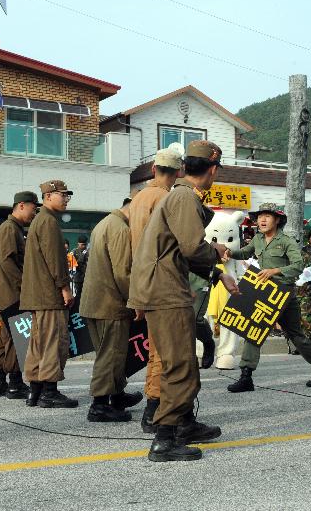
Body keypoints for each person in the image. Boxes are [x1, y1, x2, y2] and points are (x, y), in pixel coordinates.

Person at [128, 140, 236, 462]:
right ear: (213, 169)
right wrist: (216, 254)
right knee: (180, 364)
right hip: (165, 289)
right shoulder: (185, 196)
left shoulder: (177, 194)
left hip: (160, 286)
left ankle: (184, 423)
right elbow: (192, 248)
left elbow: (183, 250)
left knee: (181, 357)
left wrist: (217, 274)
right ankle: (164, 438)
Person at [226, 203, 311, 393]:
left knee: (296, 336)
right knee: (253, 328)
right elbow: (245, 252)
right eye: (260, 217)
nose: (262, 220)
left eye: (267, 216)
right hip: (263, 292)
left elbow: (298, 265)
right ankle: (246, 376)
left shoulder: (287, 241)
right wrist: (227, 251)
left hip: (283, 294)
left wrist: (275, 270)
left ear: (277, 220)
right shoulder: (258, 239)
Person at [128, 146, 181, 433]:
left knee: (154, 348)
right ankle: (155, 408)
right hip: (162, 280)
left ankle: (153, 403)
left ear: (152, 169)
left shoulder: (137, 199)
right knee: (165, 350)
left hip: (142, 280)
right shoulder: (166, 199)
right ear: (178, 172)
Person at [81, 198, 144, 422]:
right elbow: (123, 273)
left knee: (112, 353)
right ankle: (99, 405)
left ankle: (117, 395)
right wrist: (135, 301)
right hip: (110, 303)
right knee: (111, 354)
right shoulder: (120, 229)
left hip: (96, 301)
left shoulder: (105, 223)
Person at [20, 180, 77, 409]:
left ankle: (35, 390)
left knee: (38, 343)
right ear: (49, 196)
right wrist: (65, 288)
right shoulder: (49, 223)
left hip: (38, 294)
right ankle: (50, 392)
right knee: (54, 342)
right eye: (62, 195)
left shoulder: (38, 221)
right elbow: (56, 260)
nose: (65, 199)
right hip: (49, 294)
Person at [0, 191, 39, 400]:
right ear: (21, 205)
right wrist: (23, 287)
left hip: (7, 294)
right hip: (12, 294)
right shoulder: (10, 229)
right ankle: (15, 383)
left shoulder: (14, 229)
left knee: (8, 337)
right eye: (33, 209)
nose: (34, 213)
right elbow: (8, 262)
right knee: (20, 338)